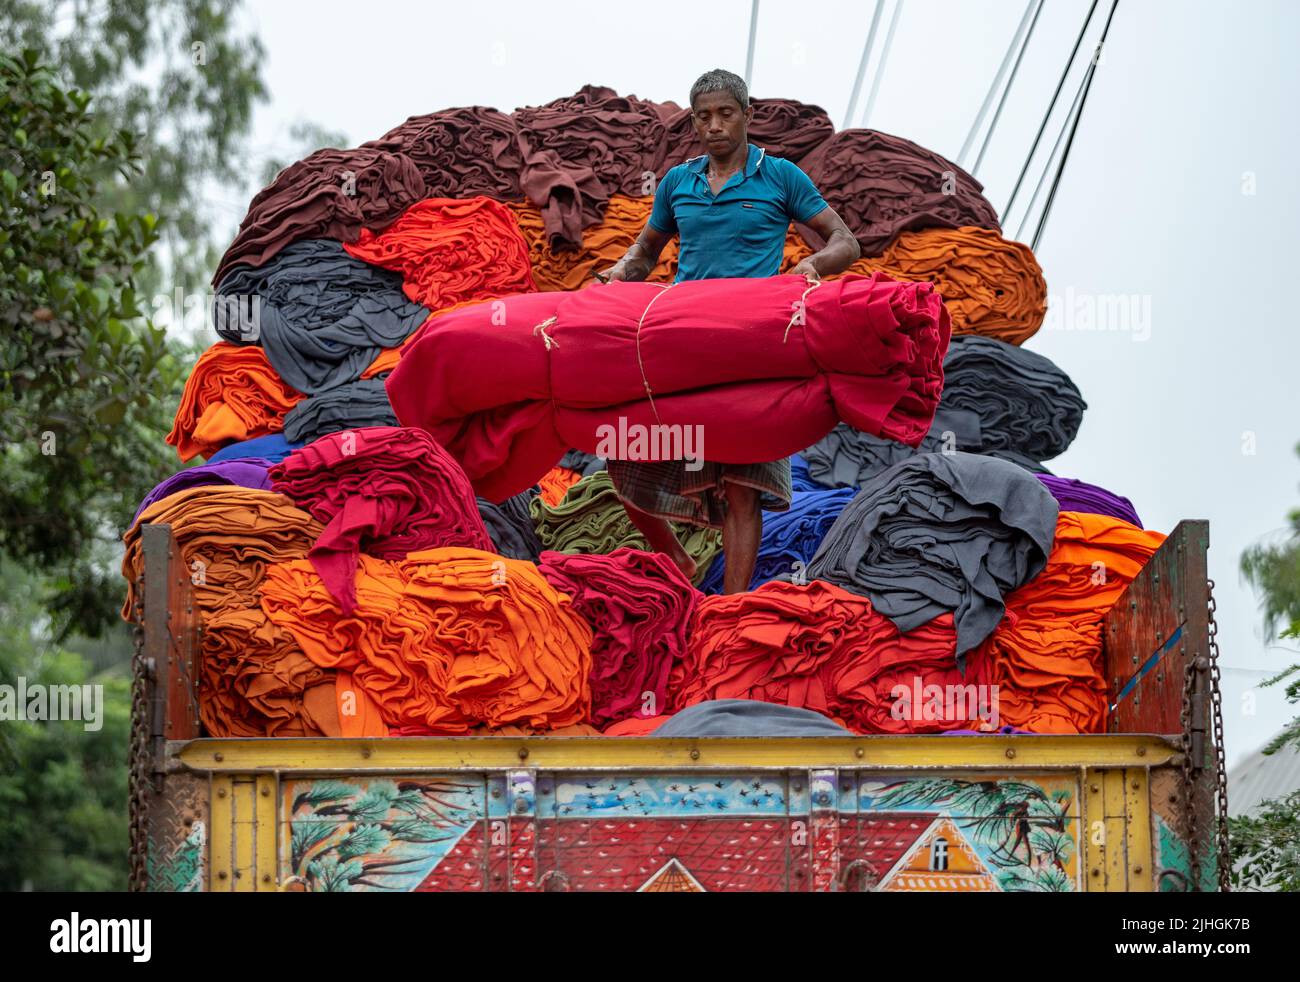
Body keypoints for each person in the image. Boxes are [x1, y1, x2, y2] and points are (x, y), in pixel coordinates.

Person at [596, 68, 860, 593]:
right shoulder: (678, 182)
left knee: (744, 483)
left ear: (746, 115)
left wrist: (810, 268)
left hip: (753, 346)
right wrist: (620, 272)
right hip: (682, 338)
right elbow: (647, 250)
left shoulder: (780, 176)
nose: (713, 125)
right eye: (703, 116)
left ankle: (730, 608)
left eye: (725, 113)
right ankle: (677, 557)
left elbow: (844, 240)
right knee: (622, 455)